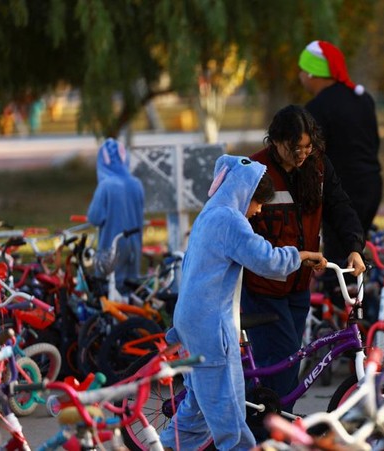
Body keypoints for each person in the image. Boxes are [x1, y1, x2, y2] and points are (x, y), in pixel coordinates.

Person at [159, 155, 326, 450]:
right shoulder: (230, 221)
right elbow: (266, 260)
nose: (259, 211)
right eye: (258, 203)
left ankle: (166, 447)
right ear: (245, 193)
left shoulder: (209, 213)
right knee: (229, 412)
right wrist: (299, 256)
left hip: (191, 320)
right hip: (211, 327)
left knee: (196, 409)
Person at [241, 104, 367, 414]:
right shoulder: (255, 170)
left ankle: (266, 423)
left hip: (299, 286)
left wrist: (354, 246)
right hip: (263, 288)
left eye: (308, 147)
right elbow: (238, 229)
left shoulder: (319, 167)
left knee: (288, 363)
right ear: (275, 141)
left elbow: (340, 207)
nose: (301, 154)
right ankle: (265, 429)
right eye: (294, 147)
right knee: (281, 363)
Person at [298, 40, 382, 258]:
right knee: (356, 248)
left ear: (311, 73)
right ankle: (360, 288)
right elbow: (373, 142)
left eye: (302, 69)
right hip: (372, 185)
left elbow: (311, 154)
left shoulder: (317, 108)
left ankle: (340, 291)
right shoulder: (363, 99)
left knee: (338, 258)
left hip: (341, 192)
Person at [87, 137, 145, 296]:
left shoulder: (106, 186)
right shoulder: (136, 184)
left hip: (111, 247)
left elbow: (94, 217)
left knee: (110, 290)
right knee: (131, 289)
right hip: (134, 246)